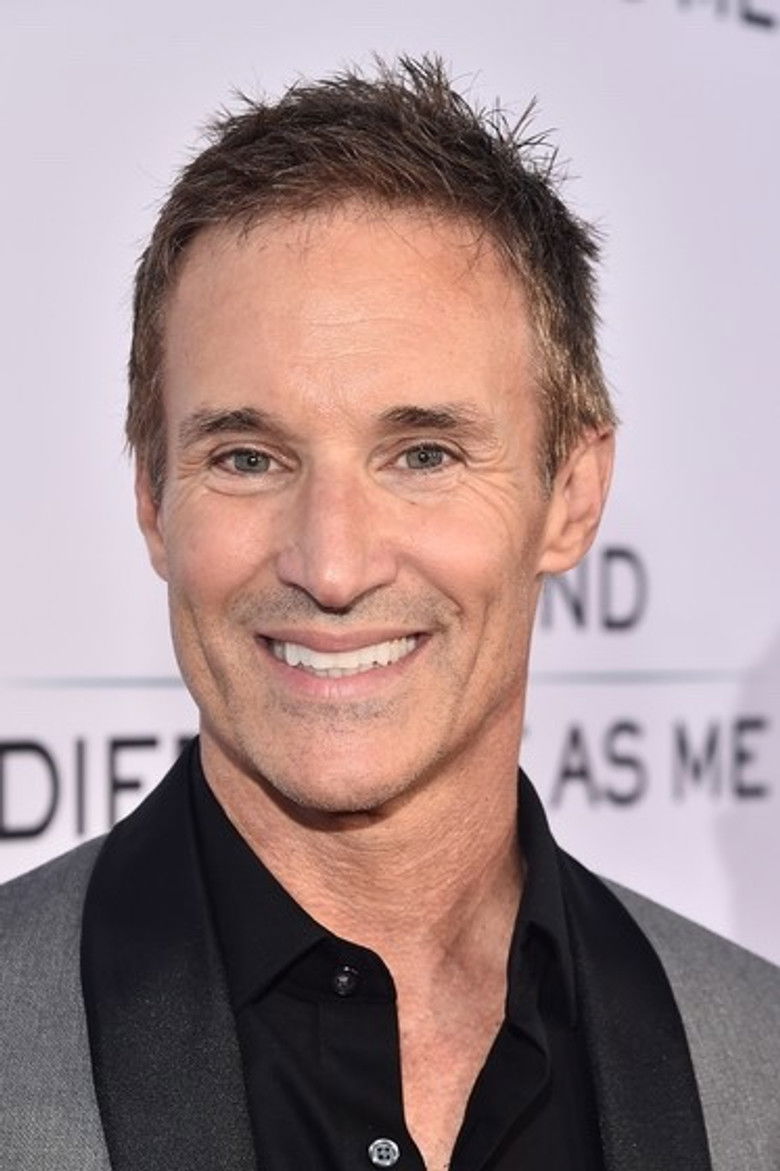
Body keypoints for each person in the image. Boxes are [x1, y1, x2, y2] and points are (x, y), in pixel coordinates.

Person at [1, 56, 777, 1171]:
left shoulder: (756, 1058)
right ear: (152, 501)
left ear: (572, 494)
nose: (332, 563)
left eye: (423, 454)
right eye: (249, 457)